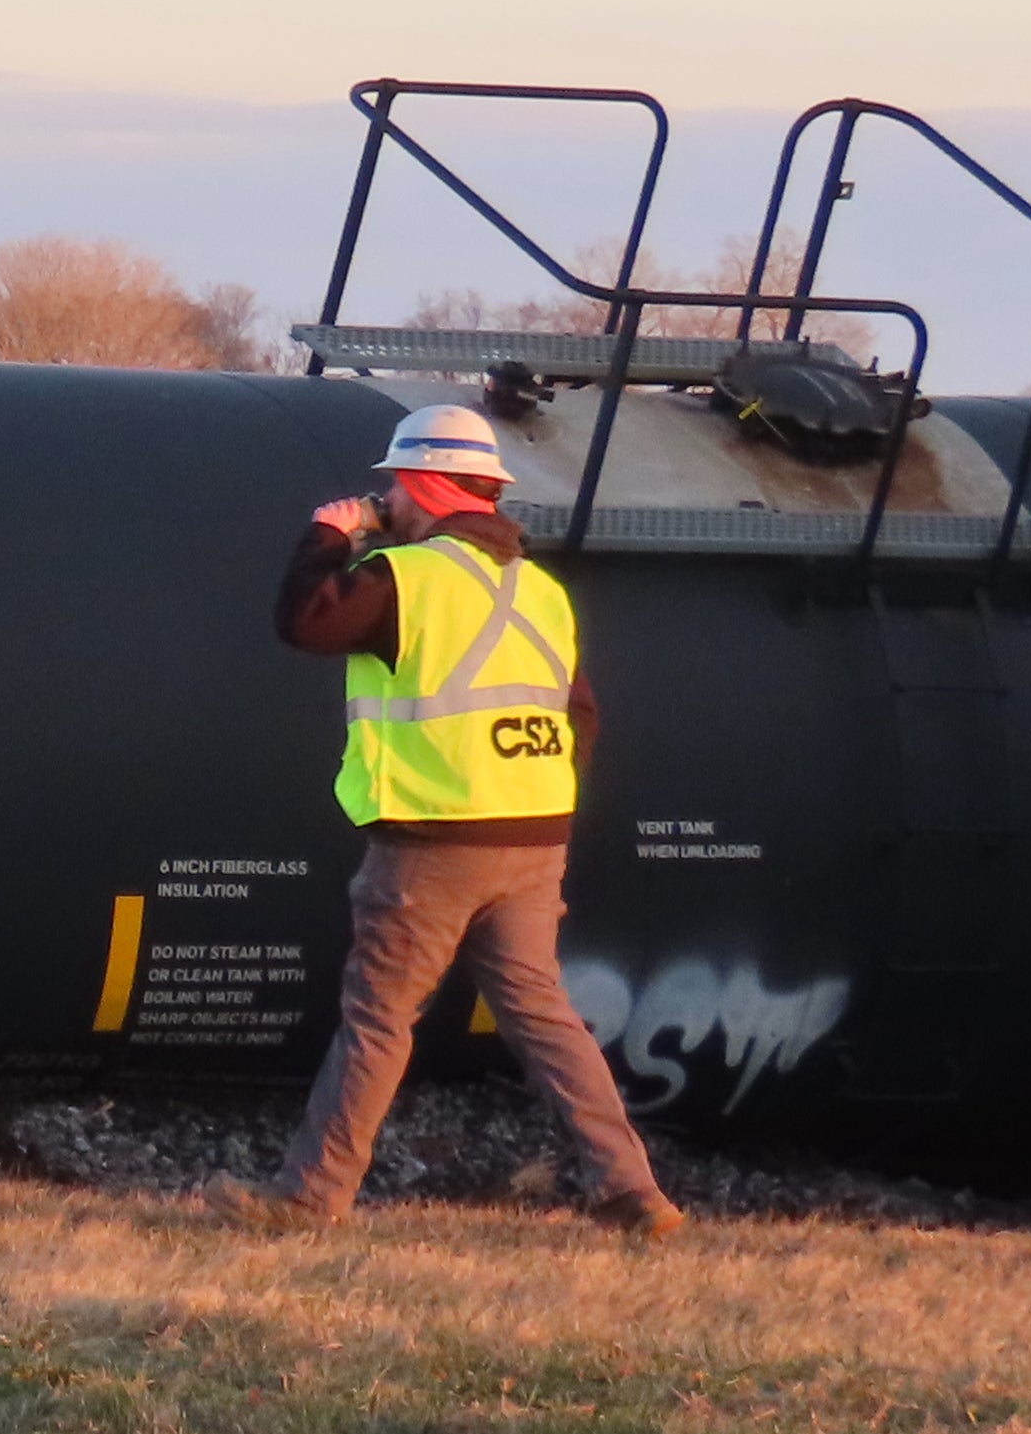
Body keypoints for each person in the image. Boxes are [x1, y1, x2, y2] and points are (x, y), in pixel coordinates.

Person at [208, 402, 685, 1239]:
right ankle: (632, 1192)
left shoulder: (409, 578)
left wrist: (327, 532)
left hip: (432, 839)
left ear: (423, 482)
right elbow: (582, 717)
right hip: (534, 836)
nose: (384, 496)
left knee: (378, 1016)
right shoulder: (540, 588)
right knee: (543, 1015)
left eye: (393, 482)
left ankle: (309, 1197)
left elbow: (305, 620)